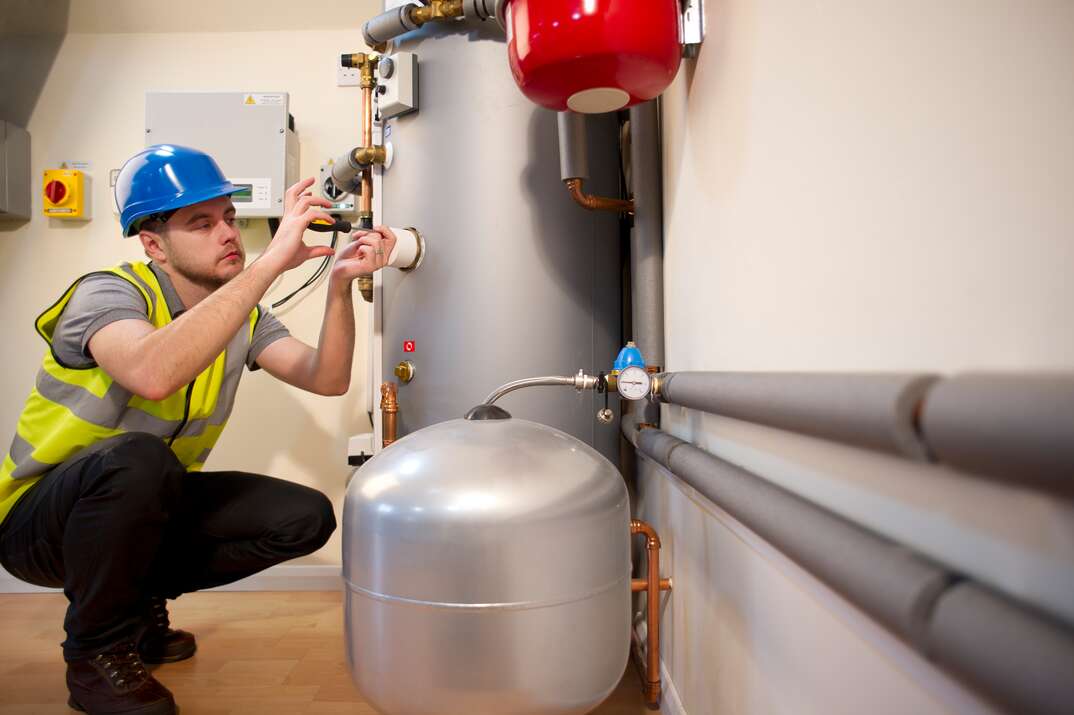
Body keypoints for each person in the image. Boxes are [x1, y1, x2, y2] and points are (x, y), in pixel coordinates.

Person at [0, 144, 396, 715]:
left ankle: (136, 600)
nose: (227, 233)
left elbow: (327, 377)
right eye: (201, 223)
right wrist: (266, 268)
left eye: (230, 218)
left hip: (140, 505)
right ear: (154, 244)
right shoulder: (109, 293)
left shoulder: (243, 315)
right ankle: (95, 656)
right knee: (137, 458)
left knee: (303, 516)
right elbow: (152, 373)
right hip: (40, 520)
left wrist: (338, 287)